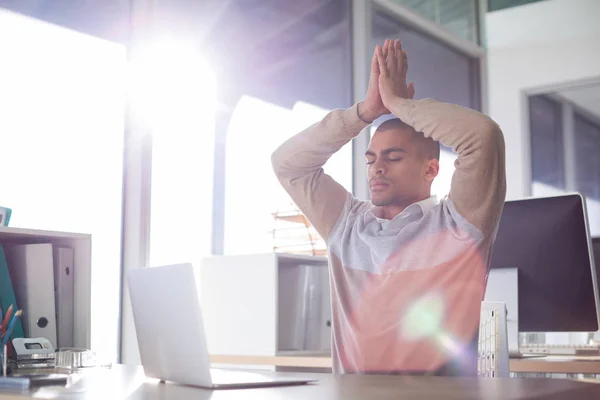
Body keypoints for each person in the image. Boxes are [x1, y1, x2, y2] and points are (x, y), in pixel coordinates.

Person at [271, 39, 506, 376]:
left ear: (430, 170)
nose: (377, 168)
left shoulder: (458, 226)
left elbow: (483, 136)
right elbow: (287, 164)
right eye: (371, 159)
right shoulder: (346, 225)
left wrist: (399, 105)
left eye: (393, 157)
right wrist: (365, 112)